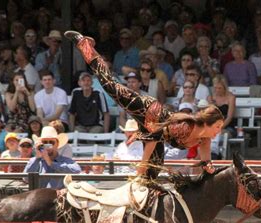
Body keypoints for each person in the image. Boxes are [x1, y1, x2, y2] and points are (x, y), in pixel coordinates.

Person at [65, 30, 224, 178]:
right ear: (207, 123)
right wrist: (142, 165)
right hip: (147, 110)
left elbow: (206, 165)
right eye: (217, 127)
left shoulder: (205, 139)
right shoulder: (186, 127)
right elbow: (153, 137)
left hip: (154, 131)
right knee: (109, 85)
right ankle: (85, 45)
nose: (218, 132)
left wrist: (212, 170)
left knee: (152, 177)